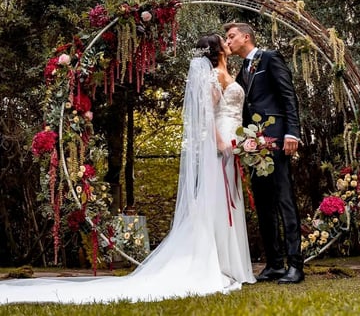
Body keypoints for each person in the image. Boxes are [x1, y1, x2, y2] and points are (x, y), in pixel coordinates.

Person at [0, 34, 256, 304]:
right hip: (222, 147)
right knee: (217, 204)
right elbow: (207, 115)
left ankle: (229, 263)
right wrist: (220, 144)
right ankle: (214, 263)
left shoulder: (228, 72)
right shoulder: (213, 77)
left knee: (228, 205)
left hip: (234, 144)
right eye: (224, 41)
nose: (229, 43)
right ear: (218, 50)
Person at [224, 22, 304, 284]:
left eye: (231, 36)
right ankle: (275, 264)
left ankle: (295, 265)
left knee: (284, 199)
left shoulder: (269, 58)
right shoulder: (242, 71)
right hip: (253, 144)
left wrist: (292, 132)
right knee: (264, 202)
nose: (228, 40)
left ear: (246, 37)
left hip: (277, 137)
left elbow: (288, 95)